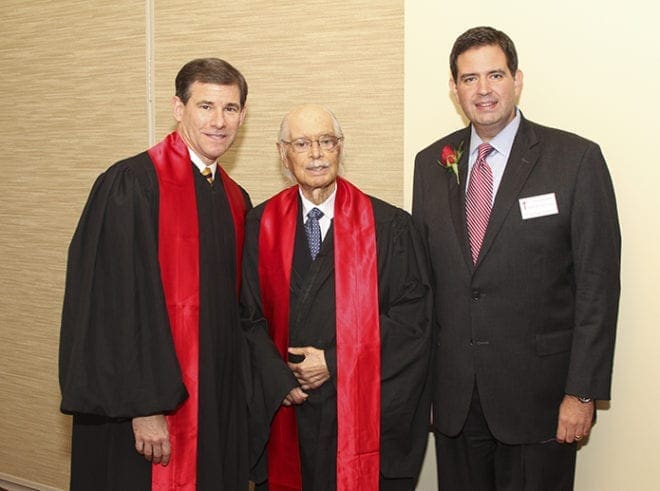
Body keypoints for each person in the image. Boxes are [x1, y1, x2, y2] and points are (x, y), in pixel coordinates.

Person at [412, 26, 621, 490]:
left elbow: (597, 288)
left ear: (517, 79)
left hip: (540, 402)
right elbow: (425, 286)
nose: (483, 90)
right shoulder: (431, 164)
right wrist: (423, 388)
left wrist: (581, 393)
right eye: (469, 79)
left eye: (495, 75)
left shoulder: (575, 159)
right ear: (454, 88)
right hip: (456, 403)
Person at [59, 57, 252, 490]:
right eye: (205, 106)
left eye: (231, 108)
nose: (219, 121)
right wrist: (143, 407)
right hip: (144, 414)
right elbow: (112, 308)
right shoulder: (131, 185)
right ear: (178, 109)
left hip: (214, 408)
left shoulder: (236, 200)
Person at [241, 104, 432, 491]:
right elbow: (247, 316)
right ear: (283, 153)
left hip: (360, 411)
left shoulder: (389, 226)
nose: (316, 154)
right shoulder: (259, 225)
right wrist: (280, 380)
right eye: (302, 143)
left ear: (340, 147)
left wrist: (335, 361)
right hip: (287, 408)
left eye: (326, 141)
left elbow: (414, 321)